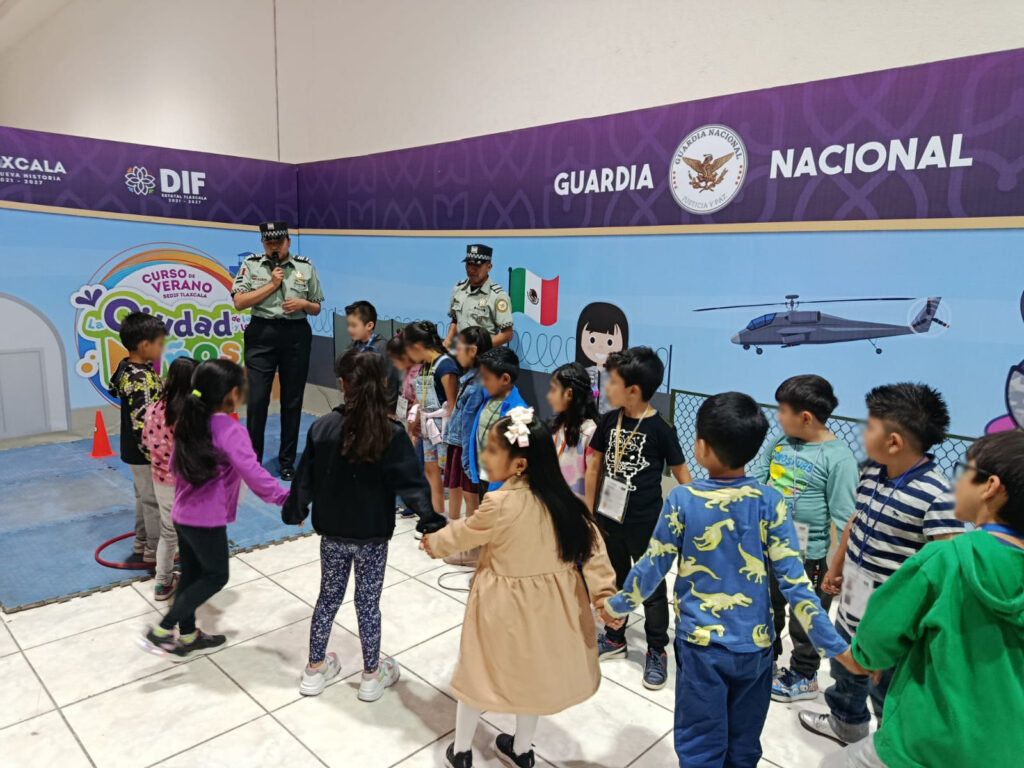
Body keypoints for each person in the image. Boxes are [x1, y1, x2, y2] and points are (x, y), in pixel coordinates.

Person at [602, 392, 852, 768]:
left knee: (701, 745)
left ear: (701, 447)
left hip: (701, 647)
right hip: (757, 650)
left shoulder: (683, 499)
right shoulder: (771, 501)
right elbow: (795, 583)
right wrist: (835, 647)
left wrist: (617, 606)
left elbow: (652, 566)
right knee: (744, 746)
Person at [420, 408, 619, 768]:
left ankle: (462, 751)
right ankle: (522, 750)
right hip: (550, 610)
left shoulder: (498, 504)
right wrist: (604, 597)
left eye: (492, 450)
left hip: (501, 609)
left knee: (479, 674)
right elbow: (594, 550)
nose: (484, 456)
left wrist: (434, 542)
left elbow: (464, 533)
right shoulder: (565, 502)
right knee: (533, 679)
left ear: (519, 465)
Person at [819, 430, 1024, 768]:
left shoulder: (943, 558)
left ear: (990, 487)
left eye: (964, 472)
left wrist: (865, 656)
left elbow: (878, 634)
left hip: (920, 745)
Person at [799, 382, 966, 746]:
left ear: (894, 441)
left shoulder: (938, 496)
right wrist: (836, 566)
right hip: (853, 604)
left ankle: (888, 745)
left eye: (870, 426)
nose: (863, 433)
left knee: (886, 689)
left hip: (893, 625)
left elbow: (947, 571)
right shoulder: (872, 472)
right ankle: (845, 722)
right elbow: (854, 521)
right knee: (845, 669)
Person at [282, 350, 447, 701]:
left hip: (333, 533)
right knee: (368, 603)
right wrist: (431, 521)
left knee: (328, 598)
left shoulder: (323, 427)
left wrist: (295, 510)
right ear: (383, 383)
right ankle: (372, 676)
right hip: (372, 537)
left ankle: (314, 669)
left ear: (342, 384)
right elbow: (412, 484)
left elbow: (305, 477)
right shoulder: (391, 433)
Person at [138, 360, 290, 660]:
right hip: (205, 520)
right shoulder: (229, 429)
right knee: (216, 576)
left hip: (182, 514)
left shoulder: (190, 421)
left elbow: (173, 465)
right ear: (232, 393)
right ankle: (163, 629)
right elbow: (253, 473)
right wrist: (285, 498)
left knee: (192, 574)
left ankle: (188, 634)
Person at [585, 346, 692, 690]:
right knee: (614, 578)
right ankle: (615, 636)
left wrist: (696, 514)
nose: (606, 387)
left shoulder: (661, 429)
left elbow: (682, 475)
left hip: (647, 524)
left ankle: (657, 648)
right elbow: (594, 466)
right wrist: (588, 512)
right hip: (608, 518)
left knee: (652, 587)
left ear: (632, 389)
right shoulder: (608, 420)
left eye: (612, 382)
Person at [750, 375, 858, 701]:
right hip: (770, 547)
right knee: (767, 607)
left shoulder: (838, 458)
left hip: (809, 557)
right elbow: (756, 480)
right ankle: (765, 659)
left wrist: (837, 567)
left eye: (783, 411)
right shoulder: (780, 442)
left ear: (806, 417)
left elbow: (845, 518)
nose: (778, 417)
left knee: (806, 618)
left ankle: (804, 674)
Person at [231, 221, 324, 481]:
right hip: (261, 334)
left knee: (292, 400)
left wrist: (304, 303)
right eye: (269, 242)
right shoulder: (252, 264)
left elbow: (317, 306)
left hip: (296, 335)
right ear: (263, 243)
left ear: (288, 242)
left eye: (279, 242)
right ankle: (253, 462)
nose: (274, 247)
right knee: (258, 399)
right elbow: (239, 302)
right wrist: (271, 285)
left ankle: (286, 462)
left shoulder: (304, 266)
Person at [108, 311, 166, 565]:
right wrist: (156, 454)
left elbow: (113, 388)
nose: (161, 349)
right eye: (159, 343)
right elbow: (142, 422)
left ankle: (141, 541)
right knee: (153, 501)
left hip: (131, 450)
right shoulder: (142, 378)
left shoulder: (127, 367)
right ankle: (155, 548)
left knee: (144, 497)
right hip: (144, 452)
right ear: (144, 345)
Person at [142, 356, 199, 600]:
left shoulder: (153, 409)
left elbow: (146, 443)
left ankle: (163, 583)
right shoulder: (193, 413)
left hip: (161, 481)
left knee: (168, 533)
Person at [402, 321, 460, 515]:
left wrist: (452, 437)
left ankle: (453, 520)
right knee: (431, 471)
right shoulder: (425, 366)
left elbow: (453, 404)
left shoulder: (446, 366)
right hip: (428, 428)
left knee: (450, 475)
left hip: (445, 429)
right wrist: (414, 425)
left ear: (417, 345)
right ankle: (436, 515)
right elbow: (419, 398)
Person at [445, 326, 493, 521]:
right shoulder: (469, 378)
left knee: (470, 496)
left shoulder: (476, 385)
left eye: (459, 347)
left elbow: (468, 425)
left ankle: (471, 536)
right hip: (459, 445)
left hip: (466, 449)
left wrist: (467, 460)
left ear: (472, 351)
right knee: (456, 489)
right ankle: (455, 529)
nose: (456, 352)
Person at [466, 346, 528, 496]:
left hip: (503, 484)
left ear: (505, 379)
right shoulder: (488, 397)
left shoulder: (519, 412)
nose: (482, 383)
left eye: (487, 378)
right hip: (483, 474)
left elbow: (520, 454)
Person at [443, 244, 514, 350]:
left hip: (483, 356)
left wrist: (479, 348)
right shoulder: (459, 289)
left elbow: (507, 334)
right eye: (469, 264)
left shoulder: (498, 296)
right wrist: (448, 340)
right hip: (459, 352)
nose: (471, 269)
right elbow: (455, 320)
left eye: (477, 265)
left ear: (489, 267)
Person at [547, 362, 599, 498]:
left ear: (569, 394)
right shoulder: (557, 426)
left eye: (553, 390)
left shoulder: (590, 432)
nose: (549, 396)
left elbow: (593, 479)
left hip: (577, 508)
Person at [345, 300, 400, 411]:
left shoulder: (383, 348)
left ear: (369, 325)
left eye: (354, 325)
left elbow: (391, 382)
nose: (349, 329)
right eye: (348, 325)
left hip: (378, 407)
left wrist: (389, 410)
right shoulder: (352, 347)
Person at [575, 302, 629, 415]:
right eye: (592, 340)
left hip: (610, 420)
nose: (600, 347)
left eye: (610, 342)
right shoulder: (583, 373)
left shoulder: (617, 377)